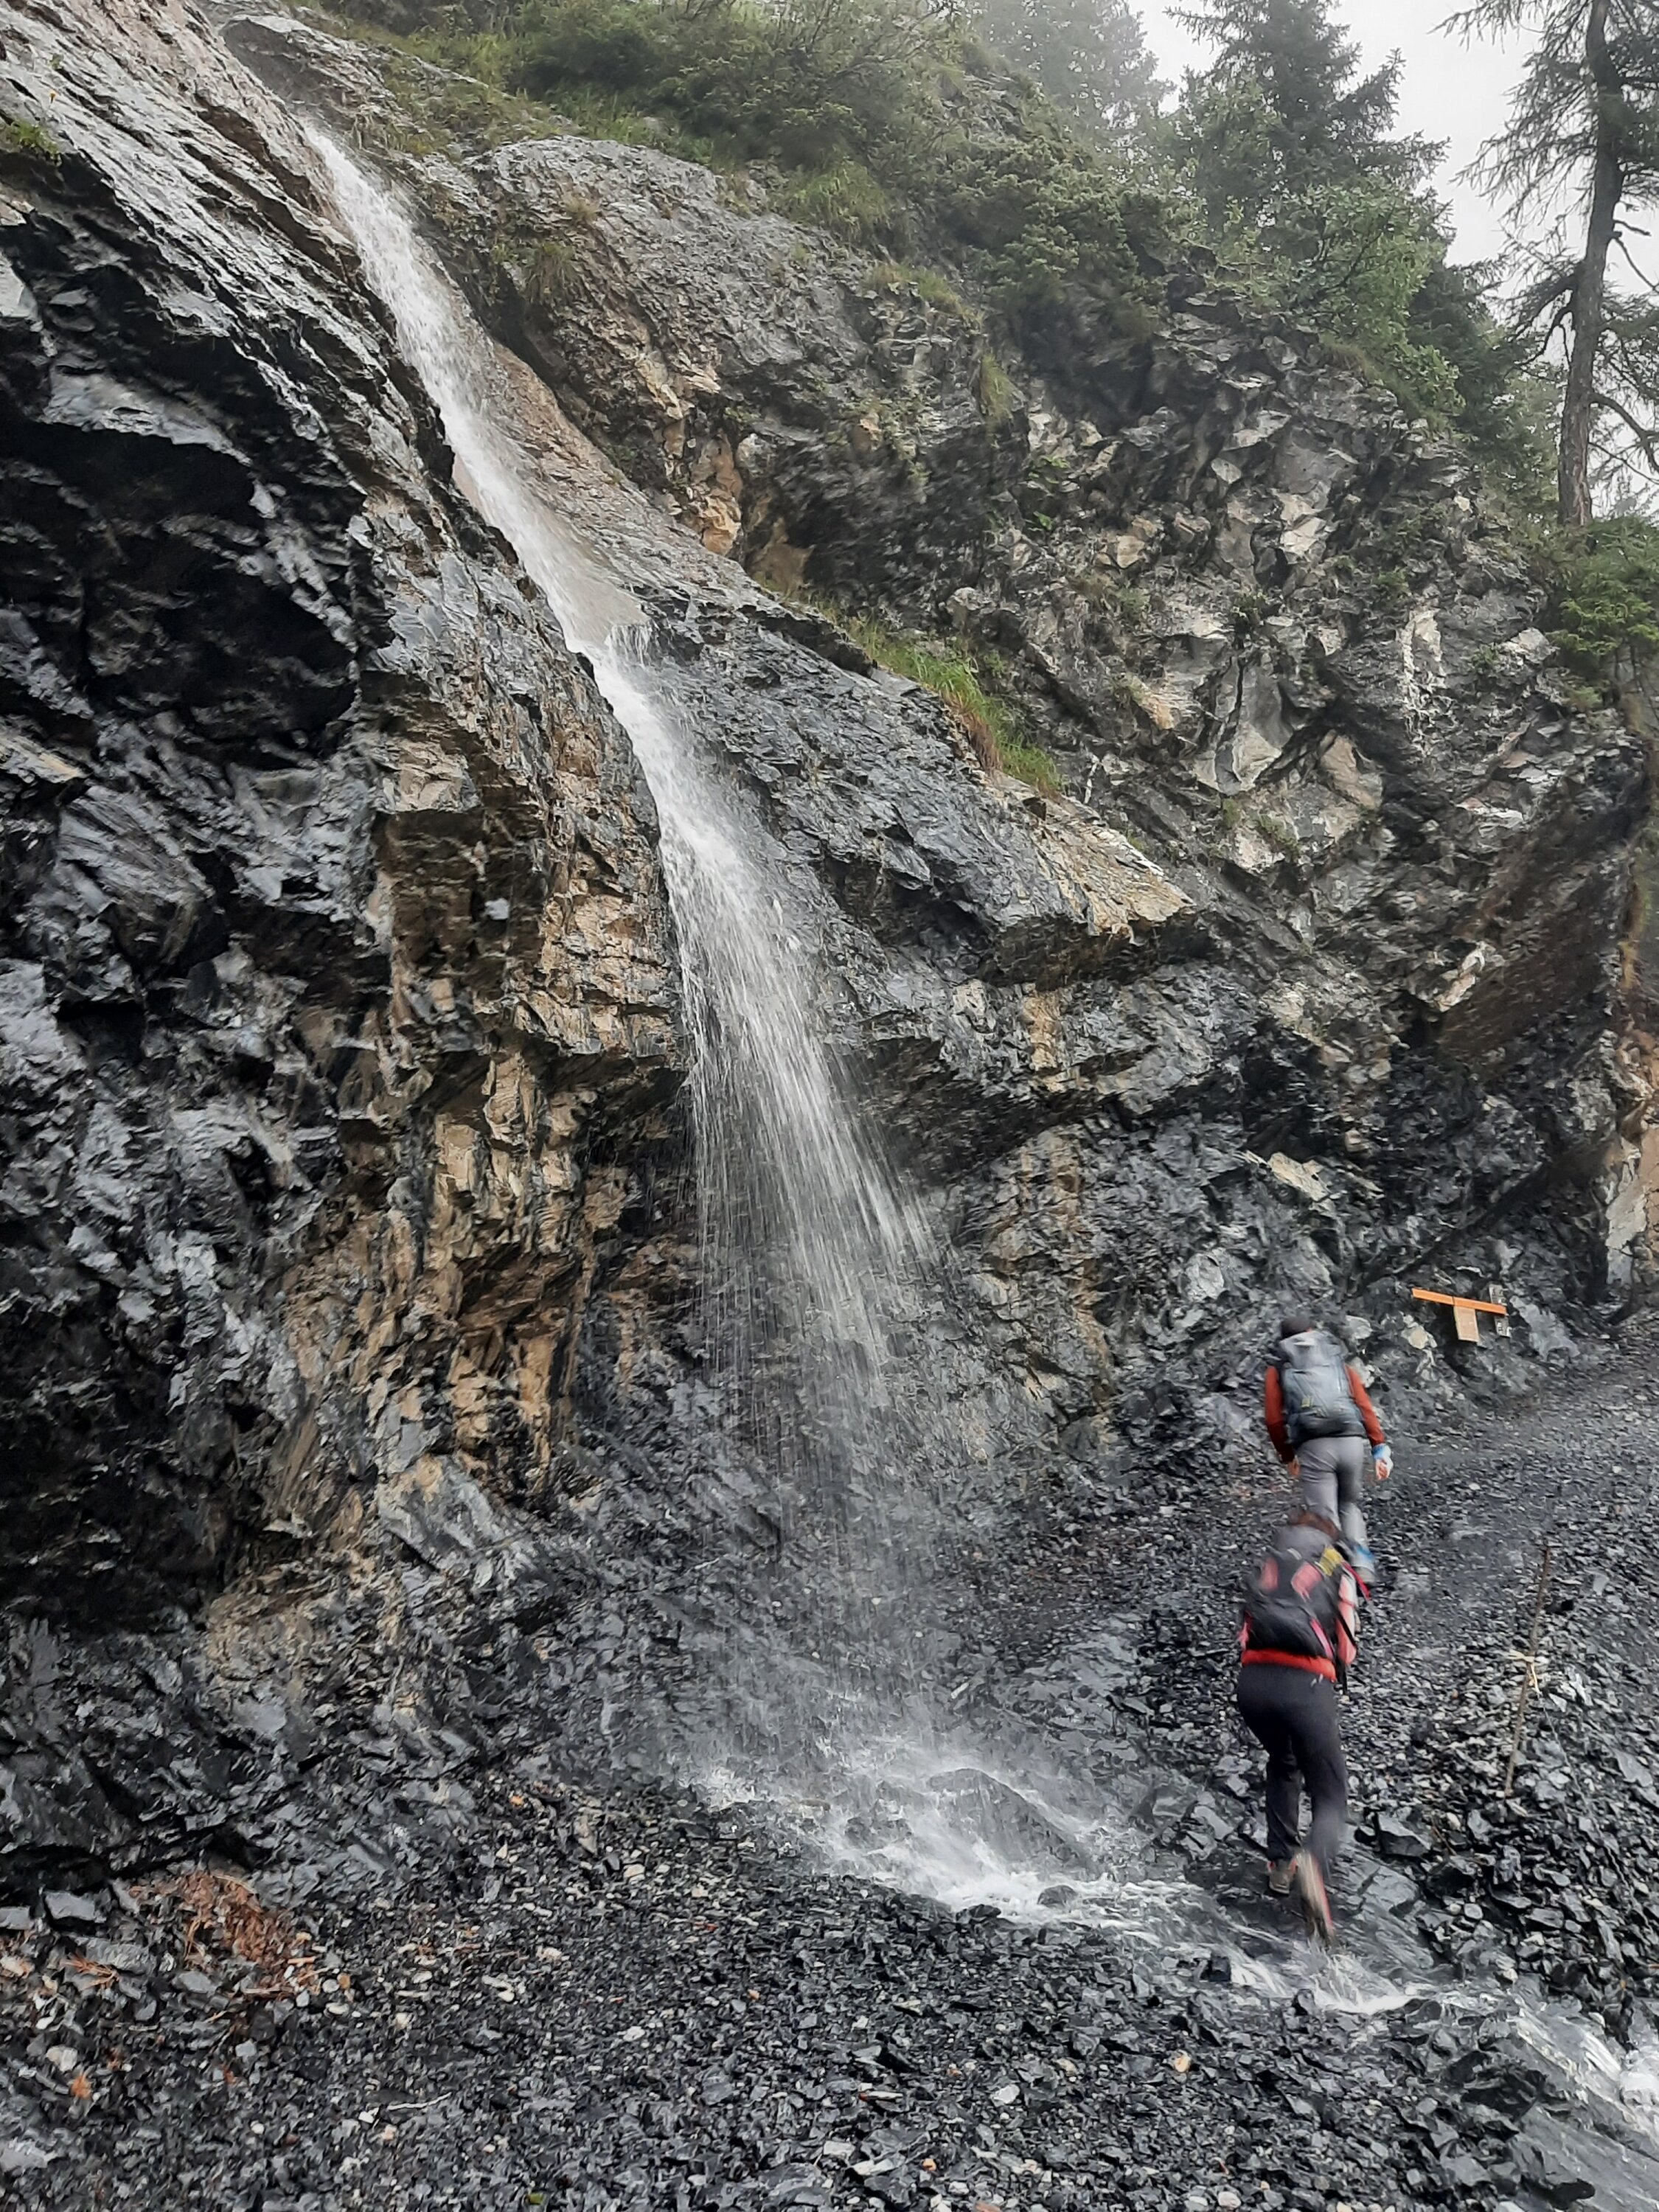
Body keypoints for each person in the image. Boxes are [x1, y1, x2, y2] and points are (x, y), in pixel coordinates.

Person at [1237, 1509, 1361, 1943]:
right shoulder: (1334, 1564)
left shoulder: (1270, 1559)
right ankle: (1313, 1866)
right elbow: (1346, 1648)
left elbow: (1245, 1630)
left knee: (1283, 1758)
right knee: (1331, 1793)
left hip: (1252, 1685)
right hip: (1306, 1687)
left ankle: (1280, 1864)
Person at [1263, 1313, 1391, 1580]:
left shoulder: (1279, 1370)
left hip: (1315, 1448)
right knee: (1349, 1504)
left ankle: (1335, 1578)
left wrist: (1287, 1455)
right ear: (1312, 1332)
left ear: (1283, 1341)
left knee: (1323, 1515)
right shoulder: (1336, 1362)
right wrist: (1379, 1447)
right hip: (1351, 1442)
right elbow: (1364, 1406)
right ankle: (1362, 1568)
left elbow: (1274, 1420)